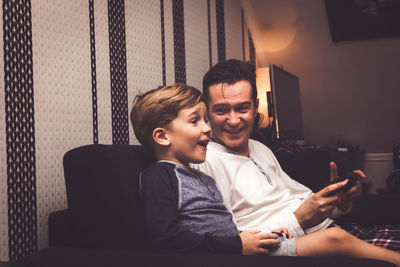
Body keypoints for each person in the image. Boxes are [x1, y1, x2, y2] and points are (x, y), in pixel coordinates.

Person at [130, 84, 400, 265]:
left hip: (249, 244)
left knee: (339, 237)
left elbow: (224, 225)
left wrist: (267, 233)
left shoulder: (202, 175)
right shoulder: (161, 176)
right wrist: (237, 246)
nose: (208, 128)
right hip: (233, 253)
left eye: (204, 119)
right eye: (196, 120)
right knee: (336, 239)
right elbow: (165, 237)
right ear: (162, 136)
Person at [192, 59, 400, 250]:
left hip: (337, 231)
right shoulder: (206, 162)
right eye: (221, 110)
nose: (234, 120)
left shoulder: (259, 148)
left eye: (242, 108)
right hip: (309, 247)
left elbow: (305, 202)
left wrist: (339, 200)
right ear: (207, 112)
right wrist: (300, 219)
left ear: (255, 107)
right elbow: (231, 243)